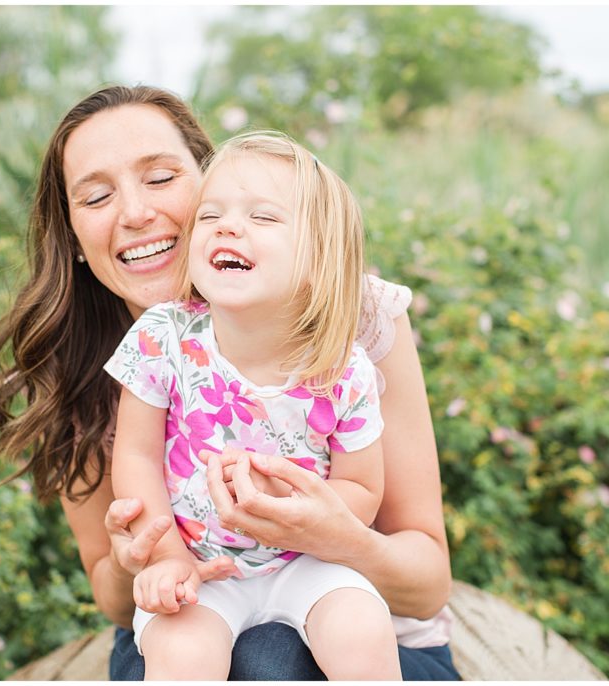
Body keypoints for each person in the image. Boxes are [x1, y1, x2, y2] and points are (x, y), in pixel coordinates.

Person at [0, 85, 459, 680]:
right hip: (194, 594)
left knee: (275, 659)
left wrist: (337, 535)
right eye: (98, 196)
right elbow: (110, 595)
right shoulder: (81, 368)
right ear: (74, 236)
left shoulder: (350, 318)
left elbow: (427, 585)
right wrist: (141, 559)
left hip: (364, 616)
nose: (134, 213)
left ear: (212, 181)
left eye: (160, 179)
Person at [106, 131, 399, 680]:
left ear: (319, 259)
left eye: (262, 218)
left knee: (362, 626)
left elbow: (362, 488)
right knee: (183, 653)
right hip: (199, 565)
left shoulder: (343, 368)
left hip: (306, 562)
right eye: (210, 215)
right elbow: (137, 458)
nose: (227, 227)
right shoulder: (163, 338)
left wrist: (303, 517)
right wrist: (168, 557)